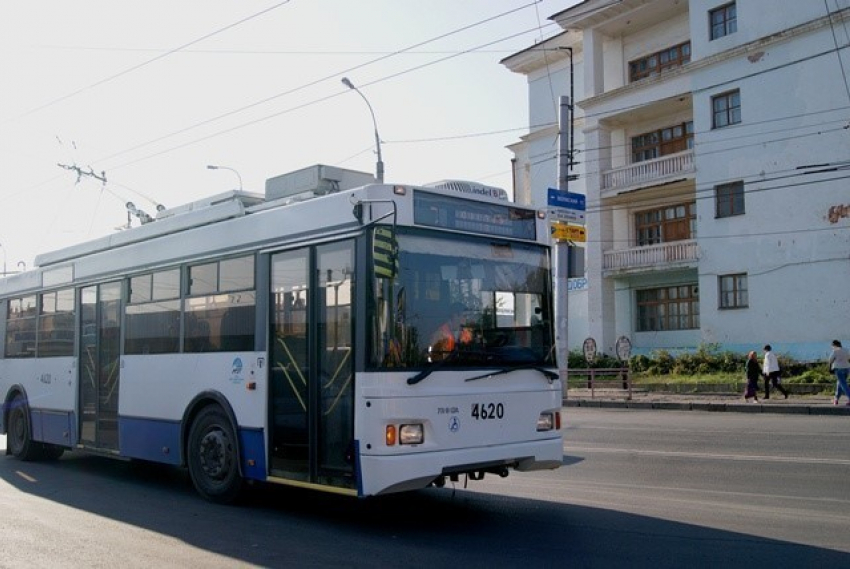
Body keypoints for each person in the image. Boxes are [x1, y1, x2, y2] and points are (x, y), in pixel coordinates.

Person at [828, 339, 850, 406]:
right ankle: (836, 399)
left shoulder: (835, 351)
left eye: (832, 346)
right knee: (840, 383)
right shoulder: (846, 350)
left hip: (838, 369)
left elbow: (830, 360)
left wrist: (830, 368)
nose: (832, 347)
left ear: (834, 345)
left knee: (843, 384)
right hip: (847, 368)